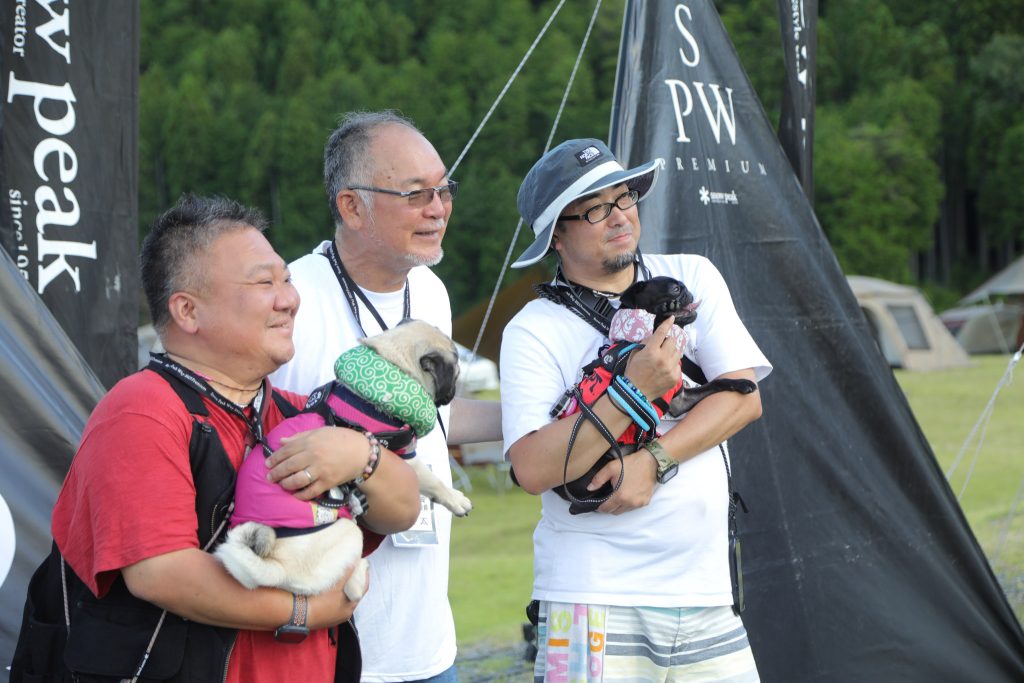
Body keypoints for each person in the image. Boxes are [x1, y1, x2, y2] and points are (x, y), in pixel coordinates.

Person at [40, 195, 420, 683]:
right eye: (264, 283)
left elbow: (401, 511)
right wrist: (304, 612)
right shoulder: (142, 410)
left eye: (286, 279)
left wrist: (363, 456)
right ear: (187, 311)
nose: (289, 299)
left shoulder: (296, 411)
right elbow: (161, 573)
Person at [500, 139, 773, 682]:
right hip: (589, 596)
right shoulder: (532, 328)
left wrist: (652, 461)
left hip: (706, 590)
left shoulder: (690, 277)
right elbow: (531, 467)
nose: (619, 216)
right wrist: (631, 391)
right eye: (594, 209)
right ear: (556, 235)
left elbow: (743, 399)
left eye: (624, 198)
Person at [271, 110, 501, 683]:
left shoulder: (430, 290)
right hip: (328, 649)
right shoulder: (290, 302)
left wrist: (540, 415)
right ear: (352, 206)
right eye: (416, 193)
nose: (438, 208)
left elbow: (431, 420)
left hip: (430, 648)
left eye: (444, 189)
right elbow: (261, 456)